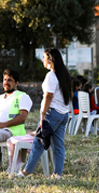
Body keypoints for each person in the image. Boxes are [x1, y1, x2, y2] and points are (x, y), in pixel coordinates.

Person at [20, 48, 72, 179]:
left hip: (52, 113)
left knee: (38, 142)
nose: (42, 60)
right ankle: (57, 174)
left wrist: (43, 114)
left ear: (50, 60)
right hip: (64, 114)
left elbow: (48, 96)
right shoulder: (64, 74)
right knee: (58, 145)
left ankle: (25, 172)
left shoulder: (51, 76)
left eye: (44, 57)